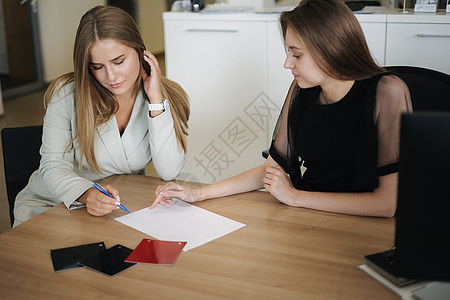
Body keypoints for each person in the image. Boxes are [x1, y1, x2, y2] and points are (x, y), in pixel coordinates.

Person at [150, 0, 412, 217]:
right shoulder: (302, 89)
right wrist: (198, 194)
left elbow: (386, 205)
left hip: (359, 225)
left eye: (296, 54)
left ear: (331, 50)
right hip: (307, 216)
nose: (287, 63)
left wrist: (296, 197)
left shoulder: (387, 92)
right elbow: (272, 170)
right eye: (288, 52)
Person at [13, 5, 190, 226]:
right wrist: (86, 194)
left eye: (118, 61)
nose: (111, 76)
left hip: (117, 206)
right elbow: (53, 165)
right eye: (97, 66)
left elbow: (169, 171)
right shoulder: (66, 95)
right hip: (52, 203)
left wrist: (155, 102)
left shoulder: (164, 96)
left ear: (140, 51)